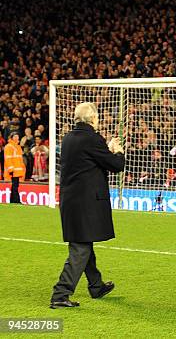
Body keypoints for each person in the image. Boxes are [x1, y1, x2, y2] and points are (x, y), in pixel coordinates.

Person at [50, 103, 125, 309]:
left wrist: (106, 150)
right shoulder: (92, 138)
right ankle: (60, 293)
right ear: (93, 118)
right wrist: (117, 152)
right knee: (80, 248)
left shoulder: (69, 138)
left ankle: (96, 285)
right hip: (86, 203)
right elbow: (116, 165)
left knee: (84, 242)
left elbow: (89, 161)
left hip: (70, 200)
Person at [3, 132, 26, 204]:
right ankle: (16, 200)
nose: (17, 138)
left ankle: (13, 201)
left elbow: (20, 159)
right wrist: (10, 169)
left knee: (15, 185)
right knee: (15, 186)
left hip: (17, 170)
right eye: (15, 136)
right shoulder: (9, 146)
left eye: (17, 136)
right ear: (11, 137)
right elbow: (8, 159)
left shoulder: (17, 147)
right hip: (13, 170)